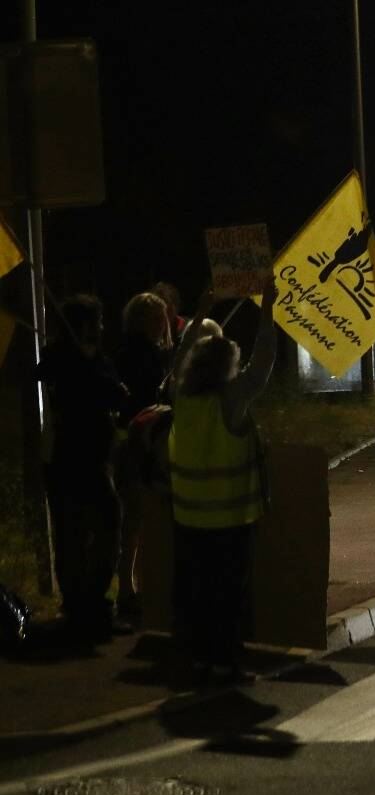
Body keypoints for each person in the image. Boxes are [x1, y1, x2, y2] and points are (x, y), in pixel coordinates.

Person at [167, 277, 278, 682]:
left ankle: (199, 659)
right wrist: (267, 310)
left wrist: (200, 315)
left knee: (198, 591)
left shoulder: (182, 397)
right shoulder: (230, 401)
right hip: (230, 518)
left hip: (188, 517)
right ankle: (226, 662)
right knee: (229, 595)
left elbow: (177, 362)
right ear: (228, 366)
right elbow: (263, 363)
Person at [39, 294, 129, 639]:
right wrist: (84, 362)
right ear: (84, 325)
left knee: (102, 529)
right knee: (77, 533)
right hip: (71, 459)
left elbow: (118, 394)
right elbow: (46, 373)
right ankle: (81, 608)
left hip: (94, 458)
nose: (103, 328)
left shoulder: (96, 358)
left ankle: (92, 606)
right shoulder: (61, 357)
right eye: (98, 321)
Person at [111, 290, 175, 618]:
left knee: (136, 522)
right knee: (138, 520)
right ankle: (133, 590)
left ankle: (133, 588)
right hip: (141, 446)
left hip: (140, 444)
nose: (162, 322)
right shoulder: (141, 356)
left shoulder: (142, 353)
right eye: (156, 317)